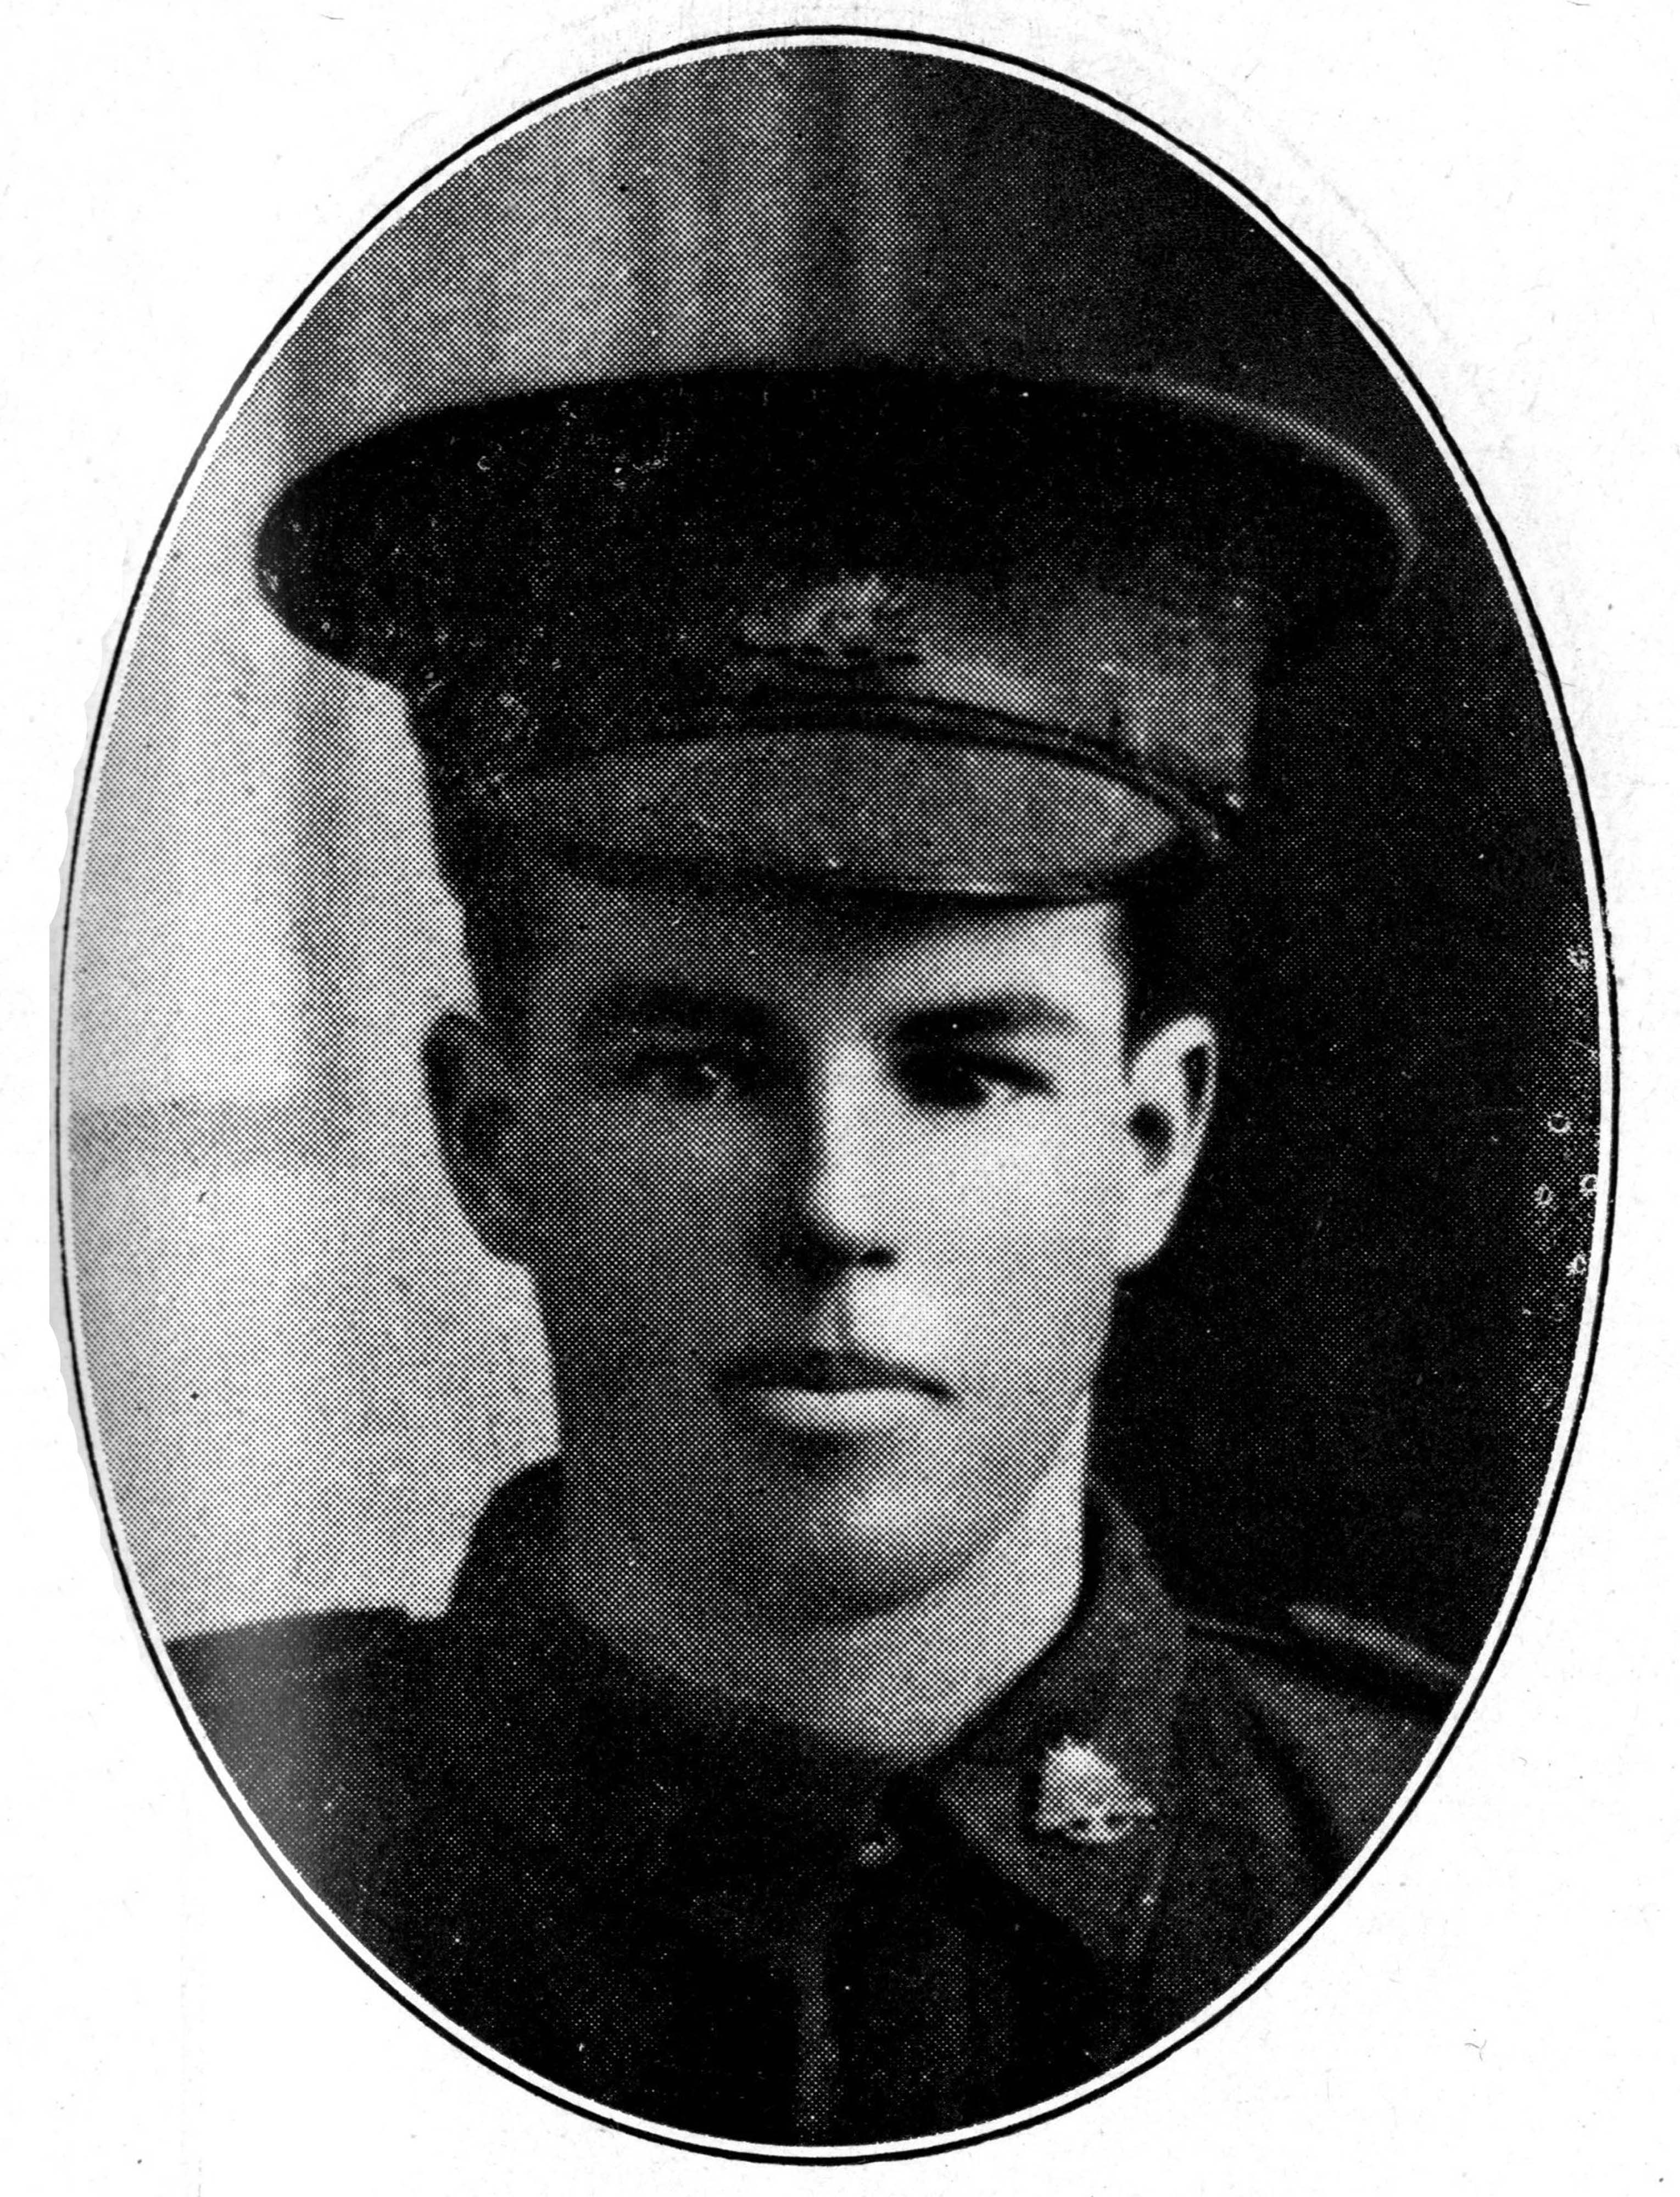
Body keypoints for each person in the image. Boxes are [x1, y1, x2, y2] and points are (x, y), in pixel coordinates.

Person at [172, 363, 1461, 2147]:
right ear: (491, 1139)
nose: (835, 1207)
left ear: (1150, 1144)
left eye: (965, 1073)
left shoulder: (1444, 1863)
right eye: (697, 1069)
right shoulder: (166, 1846)